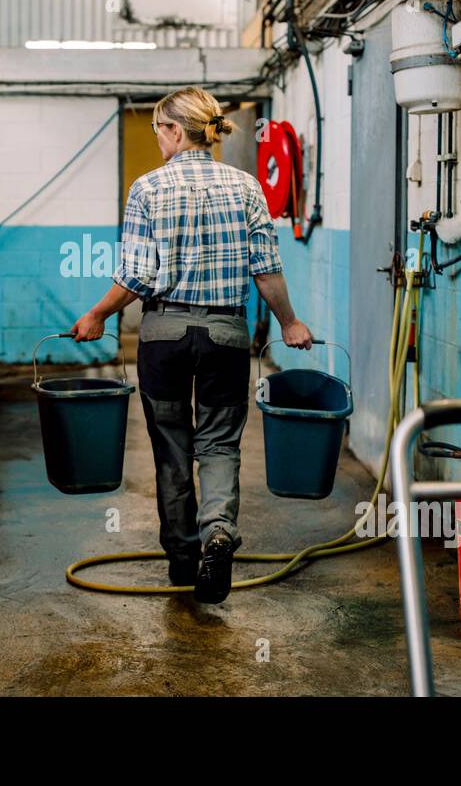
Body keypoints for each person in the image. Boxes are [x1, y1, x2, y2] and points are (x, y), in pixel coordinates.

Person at [71, 86, 312, 604]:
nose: (158, 138)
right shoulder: (247, 188)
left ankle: (183, 561)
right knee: (220, 444)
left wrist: (96, 314)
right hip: (227, 335)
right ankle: (217, 537)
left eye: (159, 129)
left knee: (172, 447)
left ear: (175, 131)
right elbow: (266, 273)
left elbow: (136, 277)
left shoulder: (148, 189)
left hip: (163, 337)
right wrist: (290, 323)